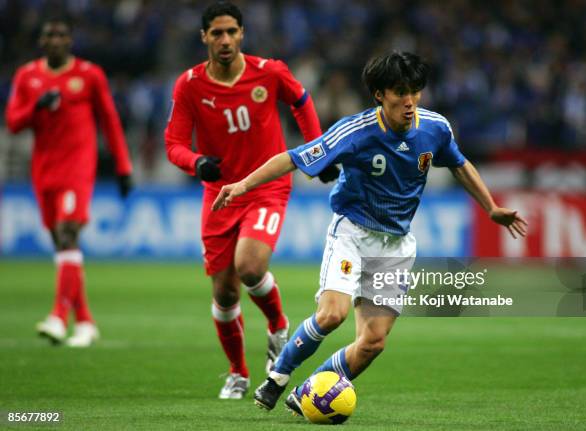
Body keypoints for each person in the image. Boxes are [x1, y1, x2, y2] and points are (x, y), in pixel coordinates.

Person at [212, 51, 528, 414]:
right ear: (379, 94)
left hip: (395, 246)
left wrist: (490, 207)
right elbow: (294, 158)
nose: (409, 102)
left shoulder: (435, 128)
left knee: (373, 342)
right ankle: (277, 378)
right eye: (399, 93)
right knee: (333, 314)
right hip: (353, 233)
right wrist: (243, 185)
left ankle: (307, 392)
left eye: (415, 92)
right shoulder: (355, 132)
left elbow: (458, 162)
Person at [164, 1, 338, 399]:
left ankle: (278, 324)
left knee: (249, 265)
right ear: (204, 37)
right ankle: (238, 372)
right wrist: (197, 163)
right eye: (217, 33)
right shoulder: (189, 85)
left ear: (242, 34)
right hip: (220, 193)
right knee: (224, 293)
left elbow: (301, 102)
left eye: (231, 32)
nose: (224, 40)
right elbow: (173, 143)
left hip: (265, 187)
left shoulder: (269, 71)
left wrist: (318, 151)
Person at [5, 16, 133, 347]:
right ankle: (86, 322)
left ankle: (58, 317)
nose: (57, 40)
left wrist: (123, 166)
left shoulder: (89, 75)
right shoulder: (27, 77)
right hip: (44, 171)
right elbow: (13, 123)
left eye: (62, 35)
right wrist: (37, 107)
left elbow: (109, 121)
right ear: (42, 42)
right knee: (64, 247)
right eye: (51, 35)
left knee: (67, 234)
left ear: (70, 41)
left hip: (78, 168)